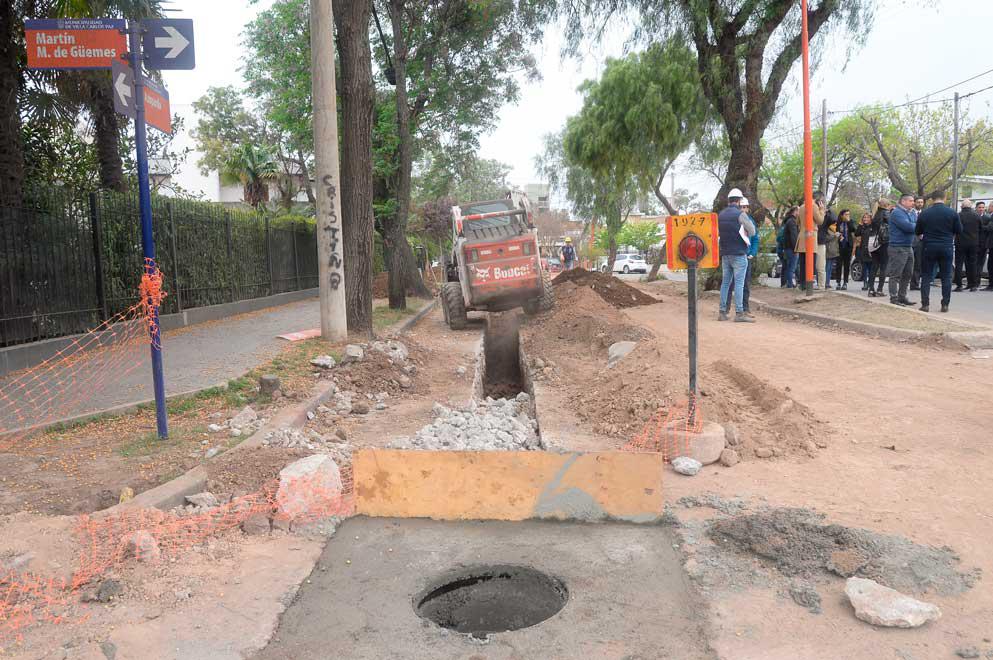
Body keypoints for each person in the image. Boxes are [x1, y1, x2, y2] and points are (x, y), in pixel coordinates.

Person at [917, 191, 962, 313]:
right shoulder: (952, 213)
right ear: (945, 197)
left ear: (931, 199)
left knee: (926, 275)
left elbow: (918, 231)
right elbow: (959, 230)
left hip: (929, 246)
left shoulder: (925, 213)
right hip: (946, 246)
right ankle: (945, 304)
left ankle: (925, 304)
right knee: (946, 276)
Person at [717, 188, 756, 323]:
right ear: (739, 201)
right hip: (739, 253)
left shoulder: (721, 215)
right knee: (739, 284)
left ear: (729, 200)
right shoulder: (740, 214)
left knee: (725, 283)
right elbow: (752, 231)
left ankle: (722, 312)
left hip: (725, 253)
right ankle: (739, 313)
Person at [887, 194, 917, 306]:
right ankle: (894, 298)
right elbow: (908, 227)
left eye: (913, 201)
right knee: (896, 274)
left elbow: (915, 225)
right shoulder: (897, 213)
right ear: (903, 201)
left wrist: (914, 225)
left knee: (908, 273)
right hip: (897, 247)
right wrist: (915, 225)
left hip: (908, 246)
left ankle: (902, 296)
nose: (913, 203)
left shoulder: (912, 212)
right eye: (911, 201)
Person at [794, 193, 826, 291]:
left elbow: (797, 222)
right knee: (810, 262)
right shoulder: (814, 206)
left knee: (802, 262)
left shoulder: (802, 207)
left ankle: (802, 283)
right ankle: (808, 284)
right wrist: (822, 210)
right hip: (811, 236)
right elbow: (820, 221)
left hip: (802, 236)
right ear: (818, 199)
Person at [954, 199, 981, 292]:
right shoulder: (976, 215)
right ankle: (972, 284)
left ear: (962, 206)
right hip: (973, 243)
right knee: (973, 264)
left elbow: (955, 228)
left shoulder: (958, 215)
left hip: (960, 242)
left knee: (959, 264)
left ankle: (959, 285)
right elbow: (980, 228)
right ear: (971, 206)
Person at [867, 198, 891, 297]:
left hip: (873, 243)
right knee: (884, 266)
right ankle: (880, 289)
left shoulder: (874, 214)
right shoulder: (886, 214)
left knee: (874, 266)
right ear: (887, 205)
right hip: (883, 243)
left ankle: (871, 289)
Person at [835, 209, 856, 290]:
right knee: (839, 264)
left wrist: (849, 221)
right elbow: (836, 232)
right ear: (842, 215)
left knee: (847, 265)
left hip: (848, 246)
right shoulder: (838, 223)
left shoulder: (850, 221)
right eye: (846, 214)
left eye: (848, 214)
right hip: (840, 246)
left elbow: (853, 229)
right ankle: (838, 282)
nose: (847, 215)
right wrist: (838, 235)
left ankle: (845, 282)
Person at [817, 202, 835, 288]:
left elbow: (834, 219)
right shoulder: (813, 215)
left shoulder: (826, 217)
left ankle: (821, 285)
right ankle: (805, 284)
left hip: (820, 242)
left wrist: (828, 211)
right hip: (811, 242)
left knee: (821, 266)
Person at [854, 212, 874, 290]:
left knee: (871, 268)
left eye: (867, 217)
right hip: (863, 249)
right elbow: (856, 234)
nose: (865, 219)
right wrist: (859, 224)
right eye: (864, 217)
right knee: (864, 268)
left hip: (871, 249)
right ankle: (865, 283)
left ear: (870, 218)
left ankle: (870, 283)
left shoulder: (873, 227)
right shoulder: (862, 227)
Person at [781, 206, 799, 288]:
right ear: (795, 211)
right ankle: (790, 285)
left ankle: (789, 284)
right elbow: (794, 236)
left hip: (788, 248)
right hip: (791, 248)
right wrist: (796, 248)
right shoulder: (792, 221)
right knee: (792, 267)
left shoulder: (788, 220)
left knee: (789, 266)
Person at [911, 196, 925, 290]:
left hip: (921, 242)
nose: (920, 204)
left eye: (921, 202)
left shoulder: (925, 213)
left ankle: (915, 284)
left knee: (918, 264)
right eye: (918, 202)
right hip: (911, 241)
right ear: (914, 203)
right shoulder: (910, 213)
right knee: (909, 263)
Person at [823, 219, 841, 290]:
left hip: (834, 250)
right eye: (834, 222)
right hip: (828, 250)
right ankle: (825, 283)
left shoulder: (834, 229)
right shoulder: (827, 229)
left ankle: (828, 282)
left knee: (830, 268)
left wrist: (839, 236)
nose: (835, 223)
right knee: (827, 267)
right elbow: (826, 238)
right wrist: (834, 236)